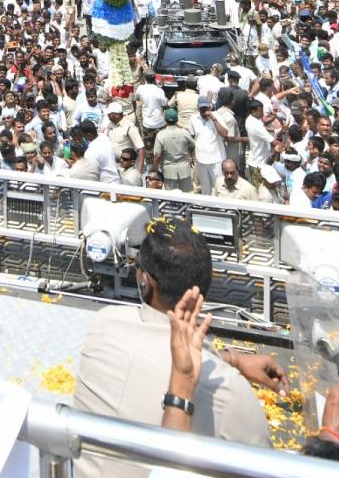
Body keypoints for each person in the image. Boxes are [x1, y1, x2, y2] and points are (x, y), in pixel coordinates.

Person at [73, 218, 284, 478]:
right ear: (205, 288)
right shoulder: (232, 395)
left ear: (145, 281)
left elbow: (160, 354)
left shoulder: (104, 326)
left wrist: (231, 360)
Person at [152, 107, 195, 192]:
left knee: (171, 199)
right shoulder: (184, 133)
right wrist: (191, 157)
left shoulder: (161, 135)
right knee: (187, 196)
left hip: (169, 172)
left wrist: (154, 170)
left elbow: (157, 156)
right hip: (185, 170)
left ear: (165, 120)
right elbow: (193, 145)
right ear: (177, 120)